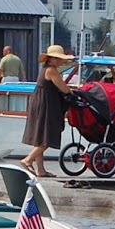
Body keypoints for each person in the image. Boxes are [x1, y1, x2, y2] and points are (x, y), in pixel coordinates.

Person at [20, 45, 75, 176]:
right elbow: (64, 89)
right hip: (45, 103)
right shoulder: (51, 70)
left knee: (40, 135)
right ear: (51, 59)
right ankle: (27, 160)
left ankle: (41, 170)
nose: (61, 61)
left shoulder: (46, 68)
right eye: (58, 59)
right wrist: (72, 93)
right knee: (48, 136)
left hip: (40, 101)